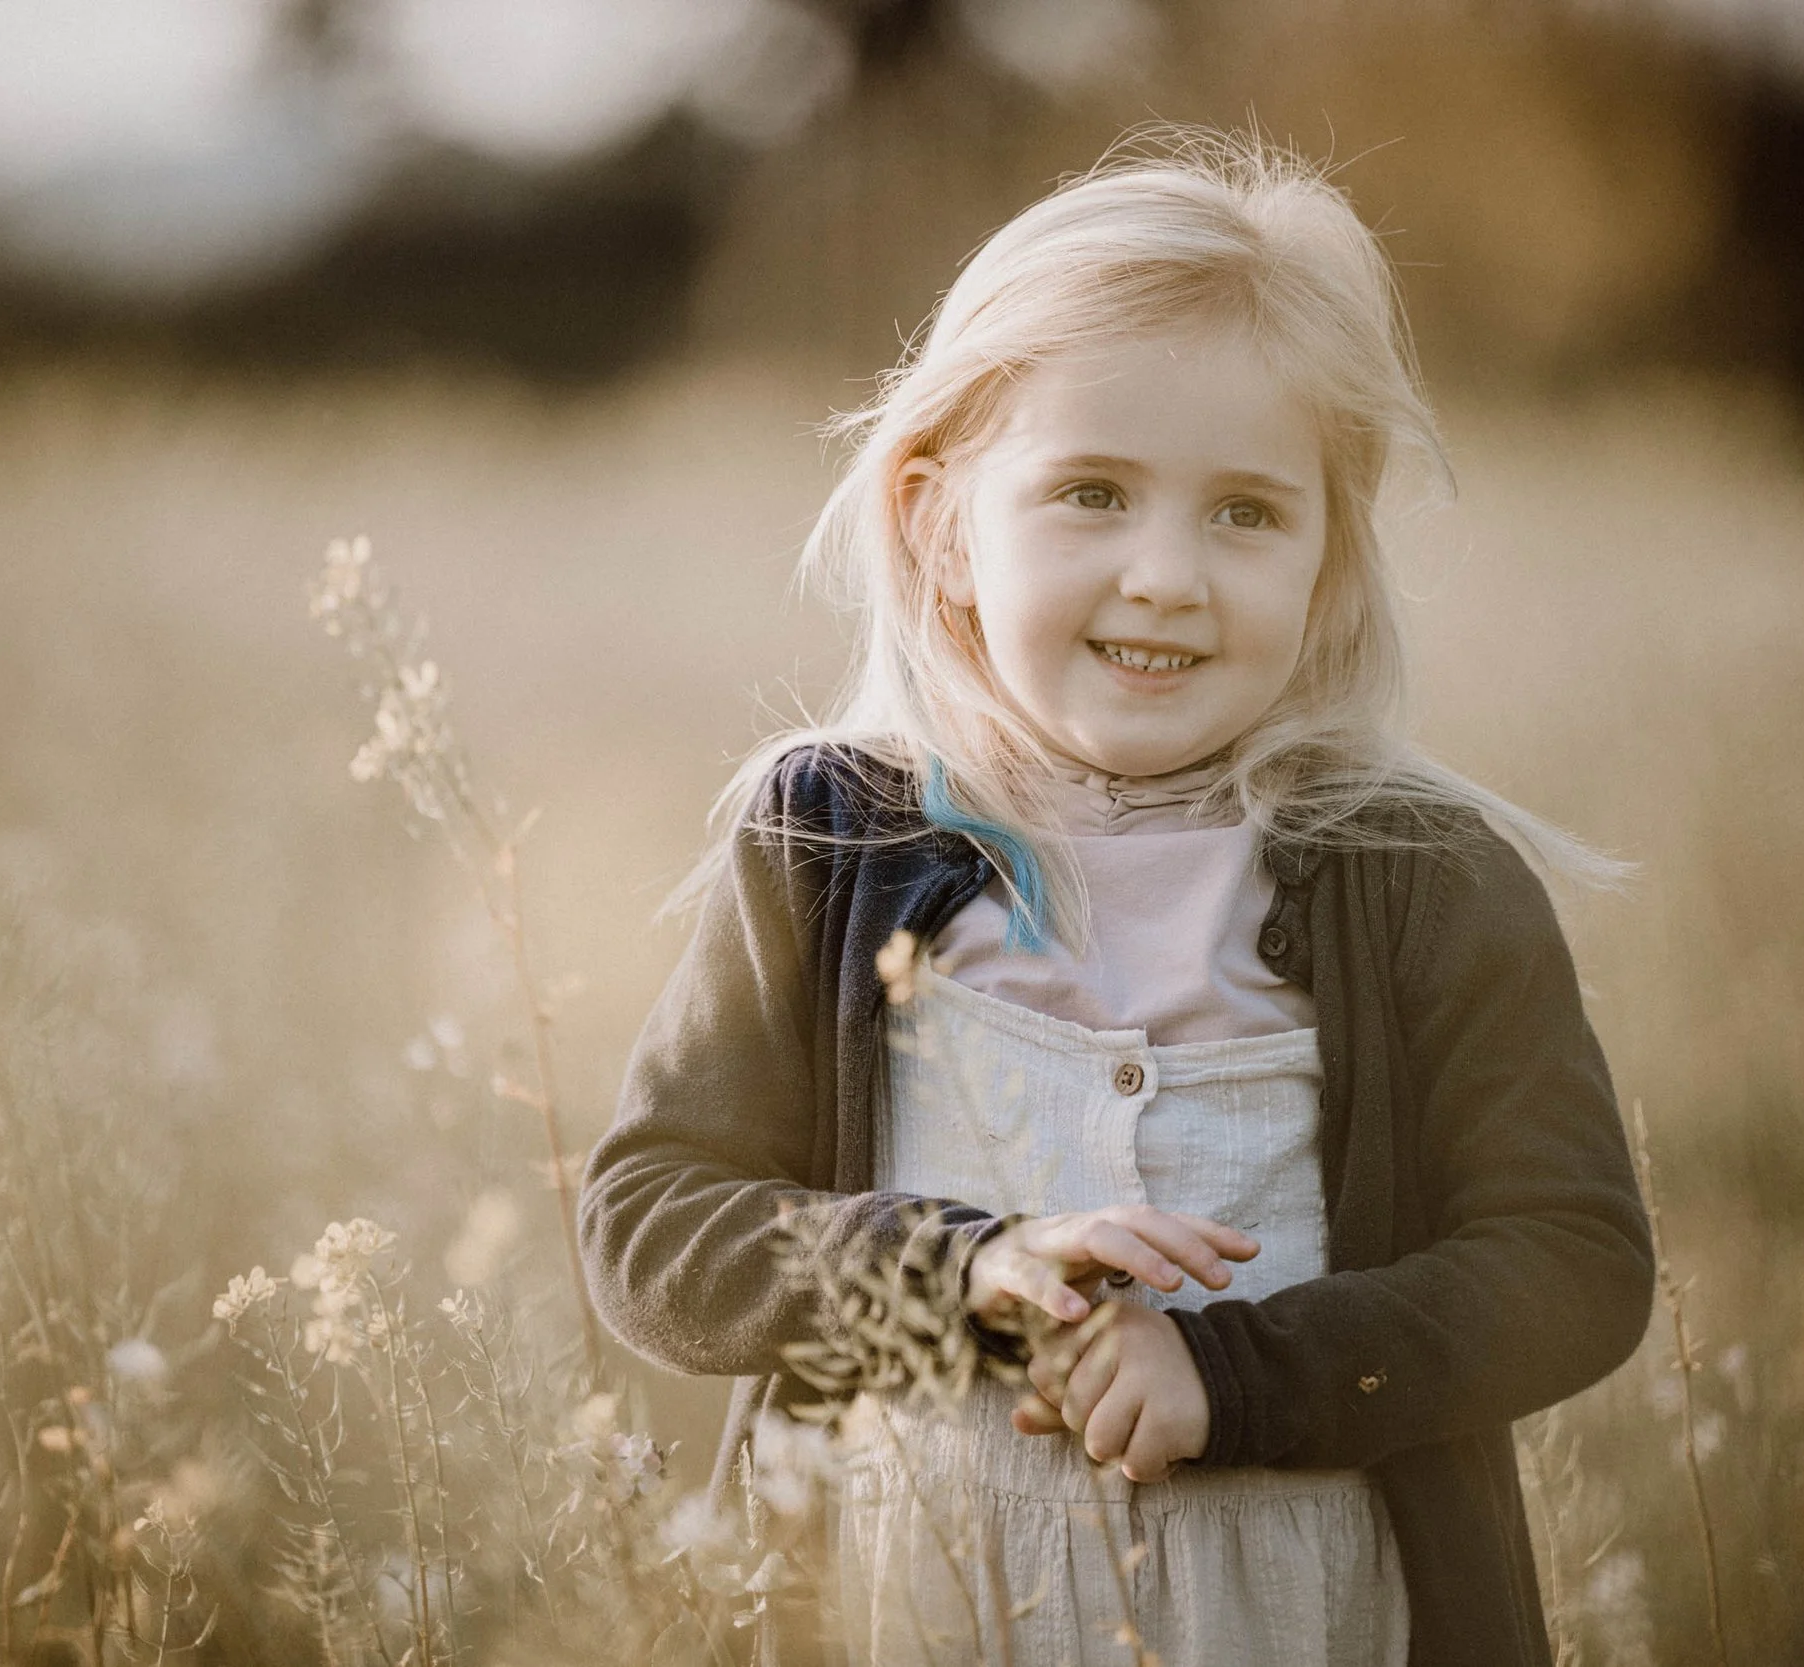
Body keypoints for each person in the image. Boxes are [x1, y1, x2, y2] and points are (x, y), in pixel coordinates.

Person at [576, 125, 1655, 1666]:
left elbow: (1575, 1260)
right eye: (1092, 491)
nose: (1167, 574)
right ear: (942, 525)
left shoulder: (1422, 879)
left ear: (1329, 562)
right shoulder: (831, 843)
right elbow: (649, 1222)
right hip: (904, 1612)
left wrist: (1241, 1372)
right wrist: (956, 1267)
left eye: (1247, 511)